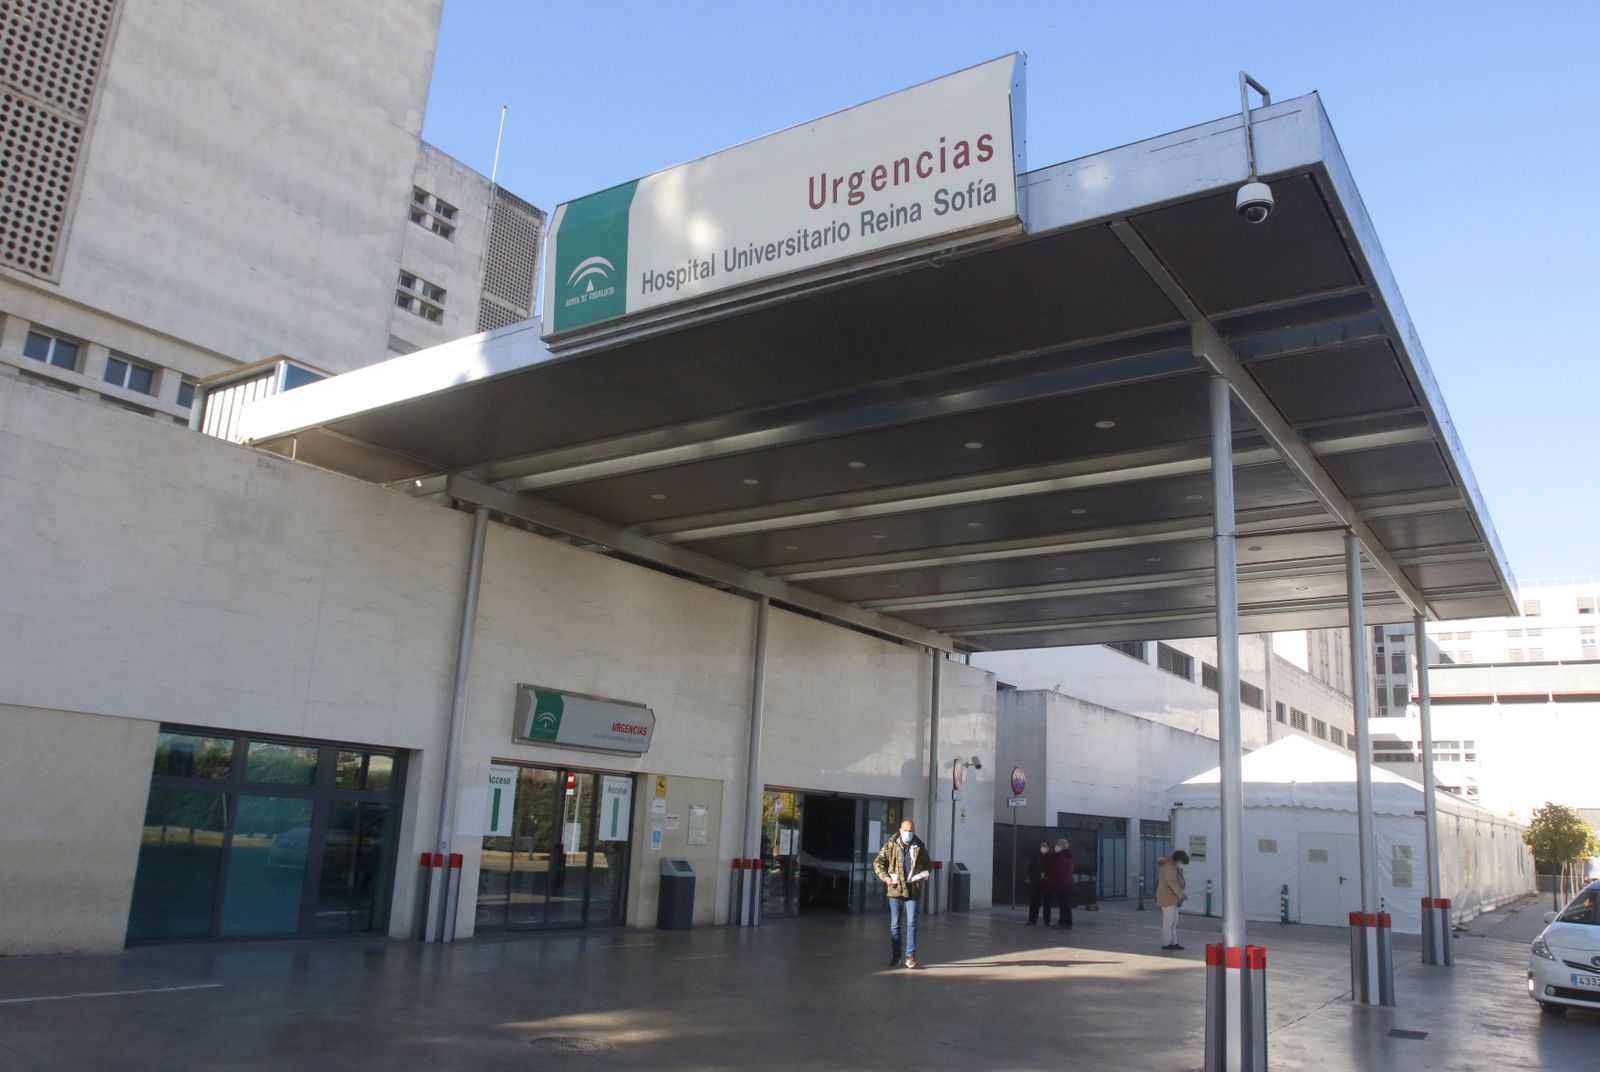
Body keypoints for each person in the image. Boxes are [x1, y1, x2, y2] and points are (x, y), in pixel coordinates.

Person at [873, 818, 931, 968]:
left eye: (911, 831)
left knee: (912, 922)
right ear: (900, 831)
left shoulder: (920, 847)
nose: (908, 833)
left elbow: (927, 866)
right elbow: (878, 863)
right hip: (895, 889)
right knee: (895, 924)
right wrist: (886, 878)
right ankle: (896, 955)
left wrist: (923, 875)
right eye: (906, 830)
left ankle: (910, 956)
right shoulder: (891, 845)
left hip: (912, 890)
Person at [1156, 850, 1190, 950]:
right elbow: (1173, 884)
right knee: (1168, 922)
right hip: (1167, 898)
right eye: (1182, 862)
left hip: (1173, 898)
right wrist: (1182, 895)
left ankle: (1174, 942)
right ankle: (1166, 943)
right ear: (1178, 860)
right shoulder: (1169, 868)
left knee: (1173, 922)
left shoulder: (1174, 867)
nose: (1182, 865)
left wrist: (1180, 896)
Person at [1048, 837, 1075, 929]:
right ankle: (1068, 922)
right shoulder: (1068, 856)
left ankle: (1062, 923)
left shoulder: (1061, 857)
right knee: (1066, 904)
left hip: (1062, 884)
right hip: (1068, 883)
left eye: (1058, 845)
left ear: (1062, 846)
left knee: (1063, 904)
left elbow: (1058, 871)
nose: (1056, 846)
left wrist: (1053, 882)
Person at [1026, 840, 1053, 926]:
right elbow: (1031, 868)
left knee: (1047, 903)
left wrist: (1047, 875)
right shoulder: (1036, 856)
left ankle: (1047, 921)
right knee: (1034, 902)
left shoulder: (1051, 857)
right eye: (1042, 846)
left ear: (1048, 847)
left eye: (1045, 846)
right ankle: (1032, 920)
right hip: (1036, 882)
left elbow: (1054, 870)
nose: (1043, 848)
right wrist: (1032, 877)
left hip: (1047, 883)